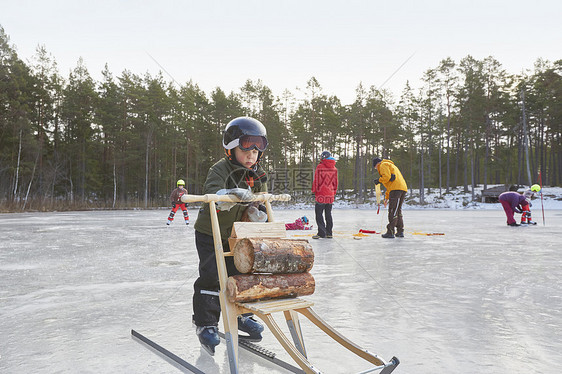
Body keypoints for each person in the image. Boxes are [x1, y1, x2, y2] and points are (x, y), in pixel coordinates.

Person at [192, 117, 268, 355]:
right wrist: (230, 193)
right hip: (210, 233)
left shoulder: (258, 174)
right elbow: (213, 194)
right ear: (231, 147)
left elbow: (261, 198)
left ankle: (242, 316)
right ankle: (206, 323)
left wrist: (258, 212)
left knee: (241, 273)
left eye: (257, 149)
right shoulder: (220, 169)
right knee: (212, 276)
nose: (252, 154)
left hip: (237, 234)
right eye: (246, 147)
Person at [373, 157, 408, 238]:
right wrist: (386, 198)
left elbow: (386, 177)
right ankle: (400, 231)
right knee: (397, 210)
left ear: (377, 164)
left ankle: (390, 231)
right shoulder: (390, 165)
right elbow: (389, 183)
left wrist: (379, 180)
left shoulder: (383, 165)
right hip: (401, 189)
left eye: (375, 167)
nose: (376, 169)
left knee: (392, 210)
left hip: (396, 189)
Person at [311, 151, 338, 239]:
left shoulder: (320, 167)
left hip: (321, 194)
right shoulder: (334, 168)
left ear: (323, 157)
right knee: (328, 213)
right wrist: (333, 193)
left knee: (319, 214)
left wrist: (314, 191)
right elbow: (335, 183)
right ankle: (329, 233)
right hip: (330, 194)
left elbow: (317, 181)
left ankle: (322, 233)